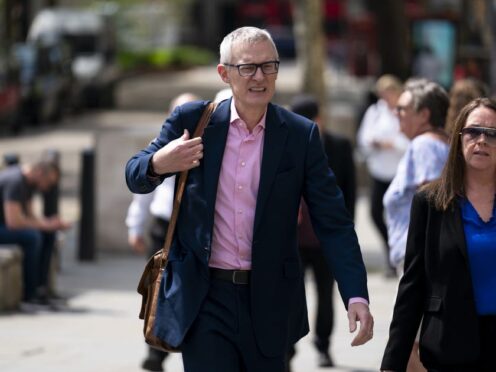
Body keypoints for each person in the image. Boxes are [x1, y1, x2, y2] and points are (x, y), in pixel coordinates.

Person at [125, 26, 373, 372]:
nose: (259, 76)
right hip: (204, 298)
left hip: (270, 299)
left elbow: (333, 222)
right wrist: (158, 163)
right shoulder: (193, 121)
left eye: (268, 66)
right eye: (247, 67)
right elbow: (134, 175)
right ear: (224, 73)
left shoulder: (301, 135)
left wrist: (355, 293)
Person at [381, 97, 496, 372]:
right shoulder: (430, 201)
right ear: (458, 138)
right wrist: (394, 360)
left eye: (492, 133)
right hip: (448, 346)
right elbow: (413, 284)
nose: (481, 140)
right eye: (473, 131)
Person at [126, 92, 199, 372]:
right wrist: (135, 226)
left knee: (187, 292)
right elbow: (142, 191)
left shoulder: (208, 143)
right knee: (159, 291)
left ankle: (183, 350)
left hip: (192, 228)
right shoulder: (159, 145)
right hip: (162, 226)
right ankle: (155, 353)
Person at [383, 78, 450, 372]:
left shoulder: (424, 145)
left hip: (420, 265)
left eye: (403, 108)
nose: (396, 113)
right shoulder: (438, 142)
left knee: (412, 349)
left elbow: (434, 201)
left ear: (424, 114)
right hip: (422, 263)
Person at [286, 94, 356, 369]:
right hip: (293, 239)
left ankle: (323, 346)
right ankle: (286, 349)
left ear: (319, 119)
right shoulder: (286, 146)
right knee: (290, 296)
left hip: (326, 239)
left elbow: (349, 192)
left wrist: (344, 233)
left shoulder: (339, 146)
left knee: (326, 295)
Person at [357, 75, 409, 277]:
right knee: (375, 213)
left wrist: (393, 144)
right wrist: (376, 142)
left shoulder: (403, 112)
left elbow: (409, 141)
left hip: (399, 173)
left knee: (399, 216)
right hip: (379, 171)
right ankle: (390, 251)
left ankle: (398, 257)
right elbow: (364, 137)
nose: (386, 98)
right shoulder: (375, 111)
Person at [0, 160, 70, 305]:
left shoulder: (29, 184)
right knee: (33, 237)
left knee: (48, 234)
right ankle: (29, 294)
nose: (47, 188)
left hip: (5, 226)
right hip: (4, 226)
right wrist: (47, 225)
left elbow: (31, 217)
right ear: (39, 173)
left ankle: (41, 289)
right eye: (48, 182)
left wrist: (50, 224)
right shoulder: (15, 182)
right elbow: (13, 222)